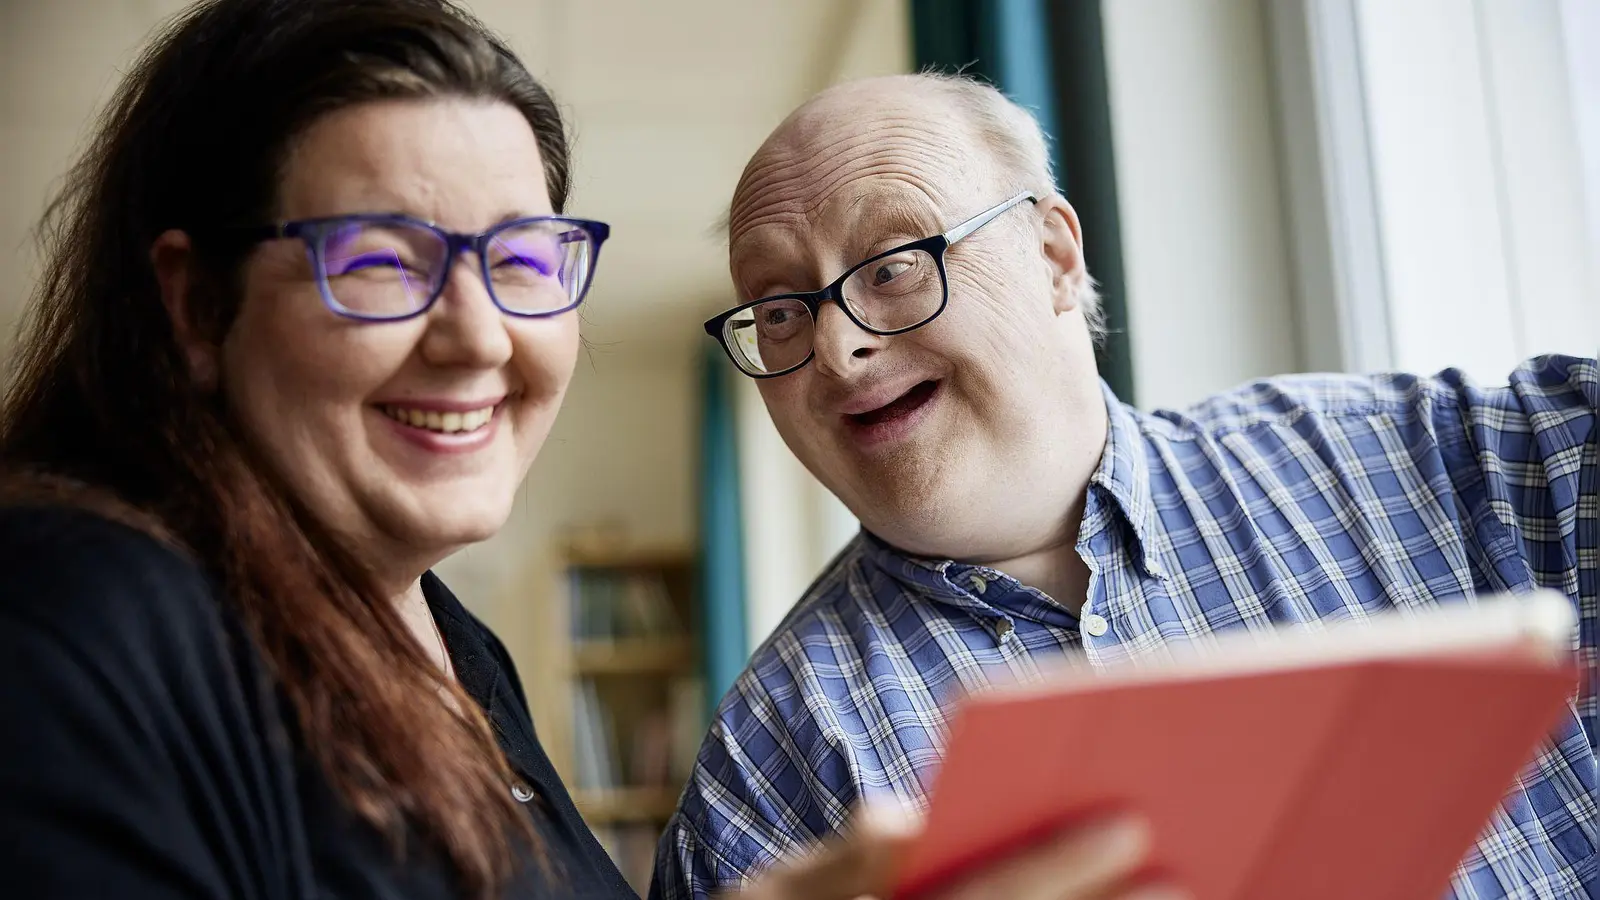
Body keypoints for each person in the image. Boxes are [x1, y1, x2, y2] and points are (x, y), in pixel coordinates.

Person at [0, 3, 1180, 899]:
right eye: (378, 260)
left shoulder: (456, 656)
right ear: (198, 305)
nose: (477, 337)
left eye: (520, 261)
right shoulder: (72, 616)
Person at [655, 71, 1600, 899]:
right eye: (780, 311)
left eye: (897, 266)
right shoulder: (763, 774)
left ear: (1054, 257)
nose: (838, 345)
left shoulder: (1442, 456)